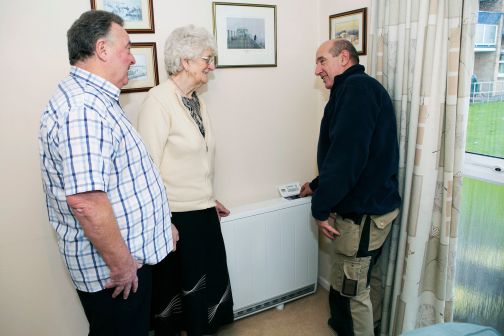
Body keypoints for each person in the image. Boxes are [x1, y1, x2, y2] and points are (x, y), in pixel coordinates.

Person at [38, 10, 177, 336]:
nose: (131, 58)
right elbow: (86, 201)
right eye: (127, 48)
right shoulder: (84, 109)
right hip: (116, 274)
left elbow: (122, 180)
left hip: (123, 263)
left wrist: (160, 224)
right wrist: (122, 265)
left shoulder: (93, 99)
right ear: (102, 49)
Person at [300, 39, 401, 336]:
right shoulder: (356, 88)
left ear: (343, 58)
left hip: (364, 215)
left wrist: (319, 209)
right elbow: (353, 152)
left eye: (321, 61)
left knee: (354, 289)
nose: (317, 69)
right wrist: (317, 185)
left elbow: (347, 159)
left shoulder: (356, 91)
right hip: (378, 207)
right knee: (370, 281)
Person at [137, 25, 234, 336]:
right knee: (182, 292)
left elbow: (196, 159)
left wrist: (208, 196)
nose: (212, 65)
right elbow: (148, 168)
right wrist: (163, 220)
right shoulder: (158, 101)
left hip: (202, 211)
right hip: (175, 219)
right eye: (207, 58)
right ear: (184, 61)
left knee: (209, 285)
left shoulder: (195, 99)